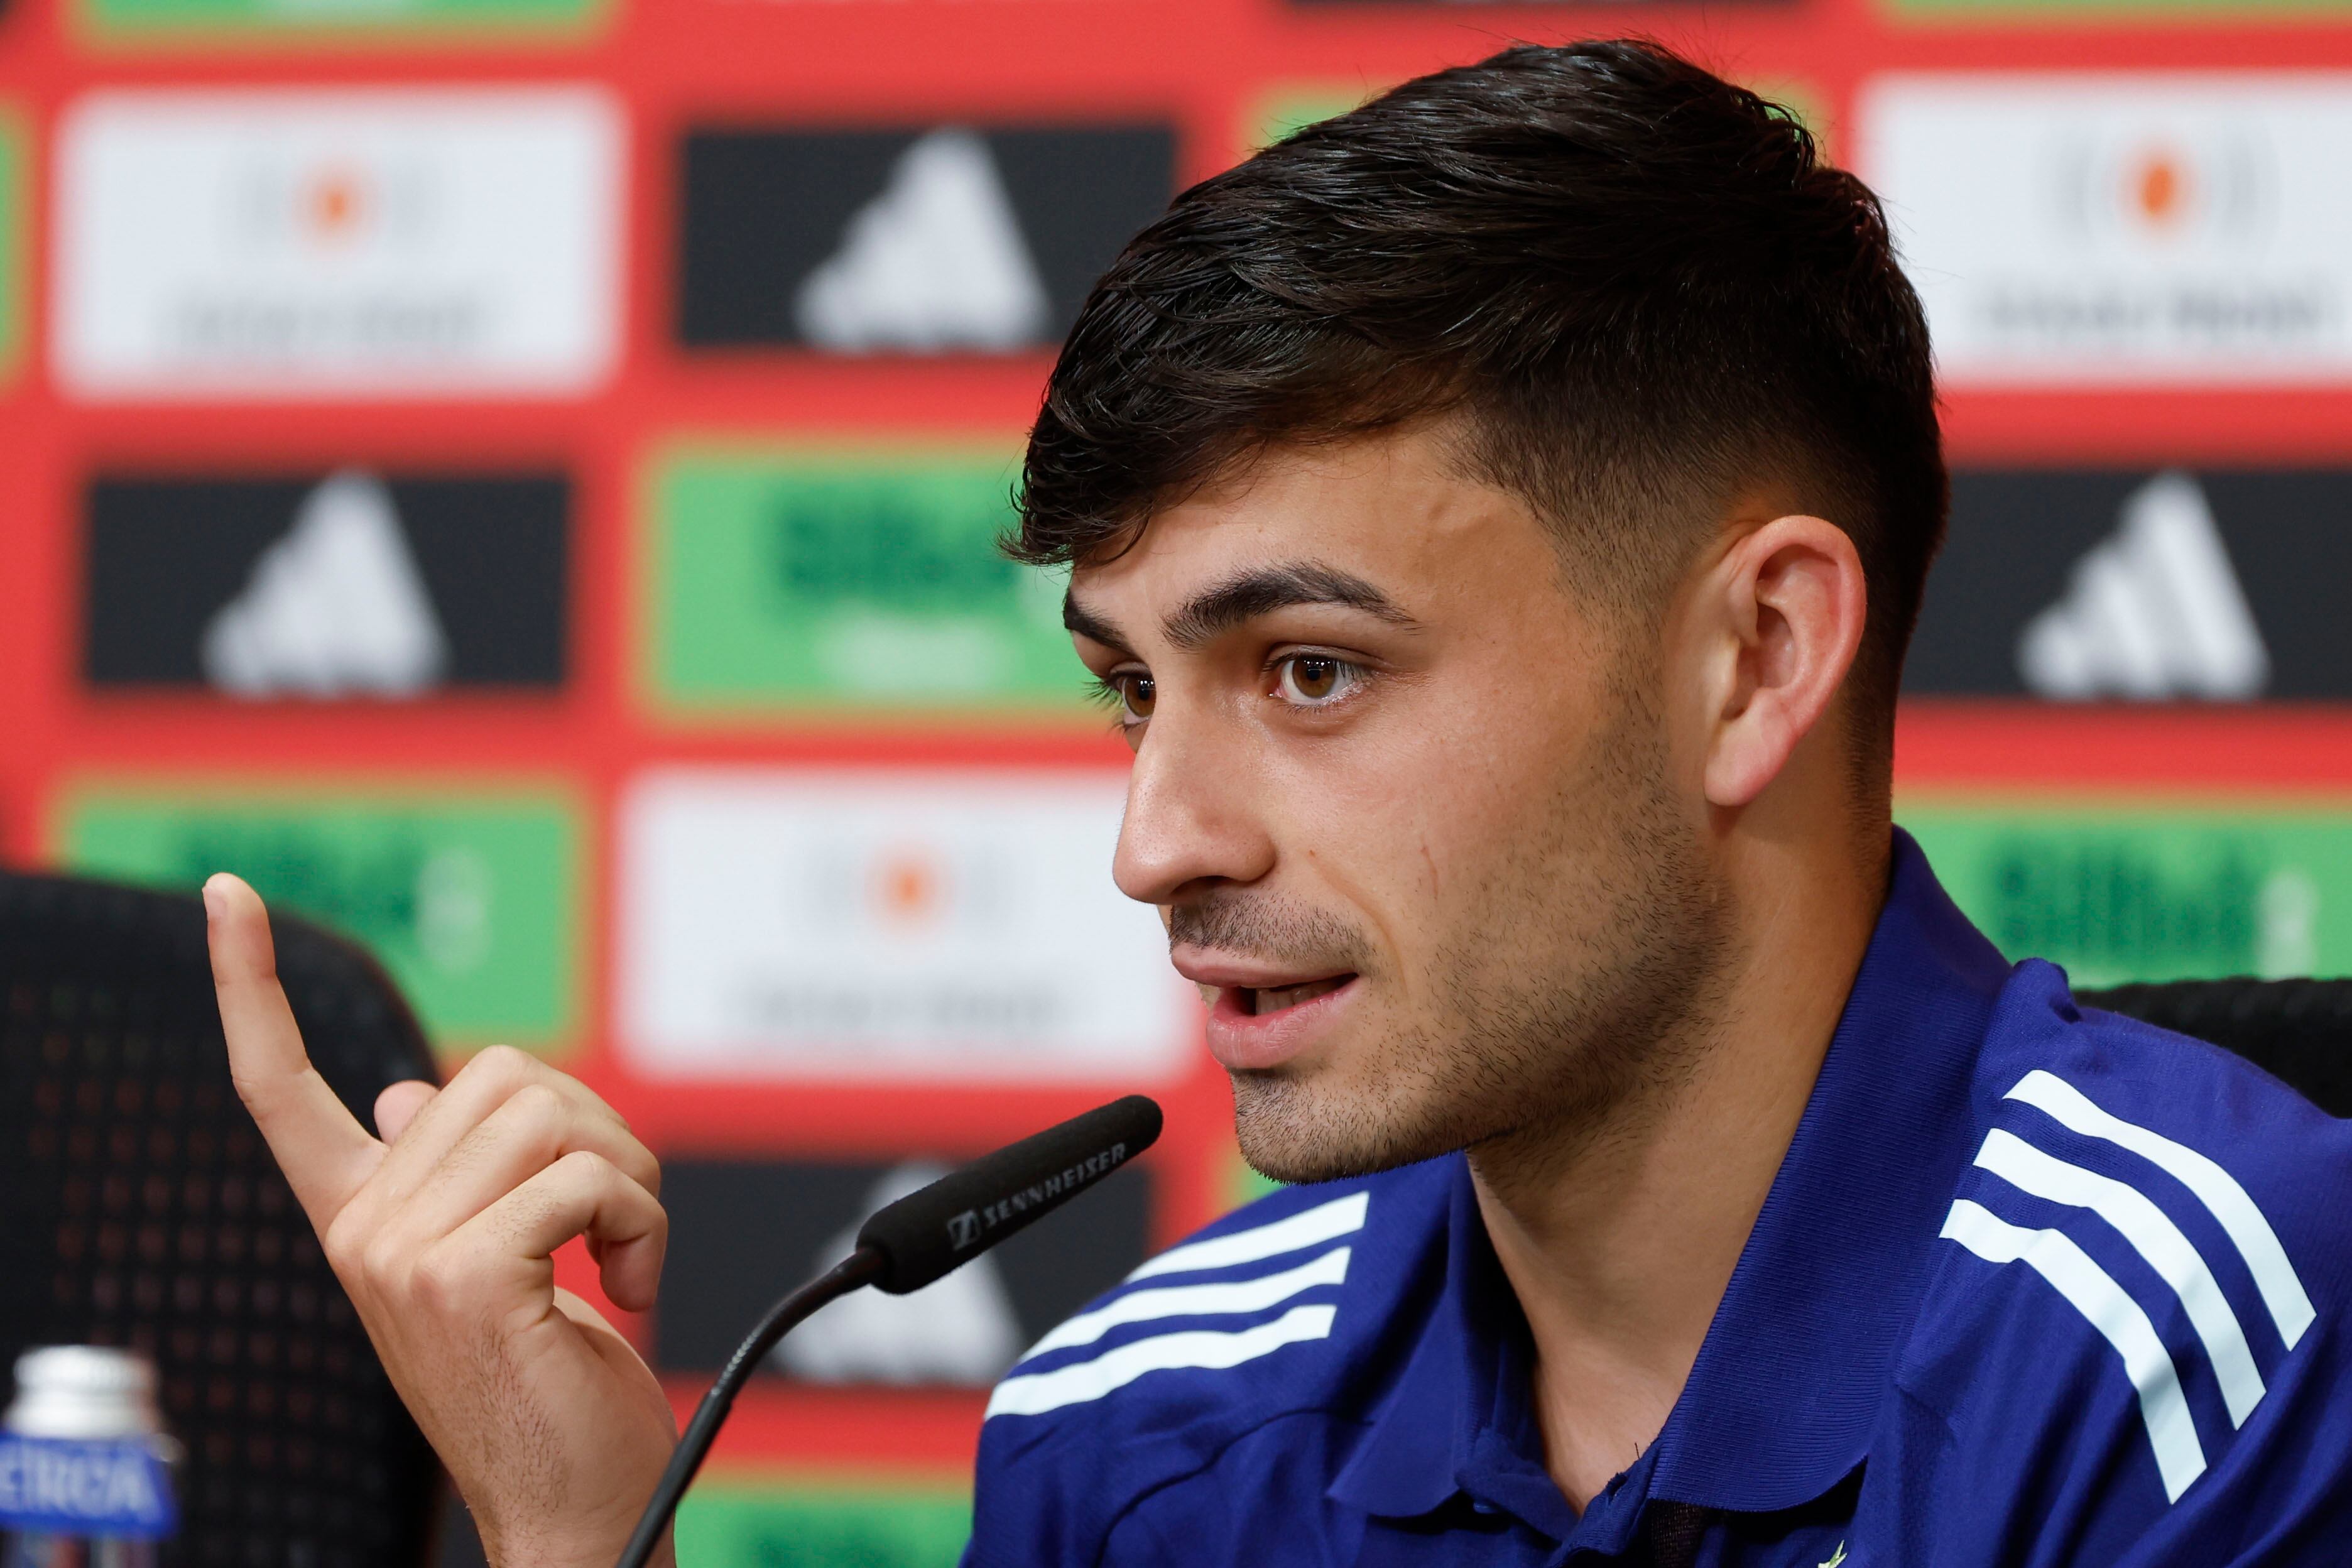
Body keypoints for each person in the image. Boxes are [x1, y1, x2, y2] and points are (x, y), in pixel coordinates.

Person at [203, 40, 2352, 1568]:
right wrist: (588, 1542)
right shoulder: (1133, 1429)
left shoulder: (2222, 1353)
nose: (1157, 845)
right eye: (1133, 689)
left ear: (1758, 659)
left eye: (1308, 671)